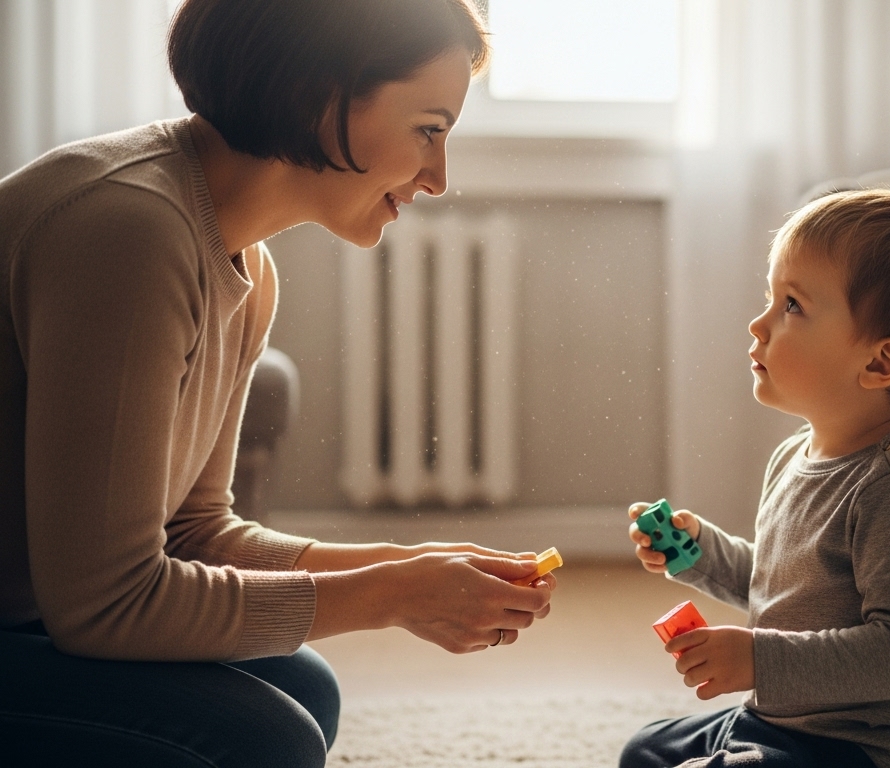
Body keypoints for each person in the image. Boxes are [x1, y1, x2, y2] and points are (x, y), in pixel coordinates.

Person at [0, 1, 554, 765]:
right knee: (267, 740)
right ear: (317, 96)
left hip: (34, 617)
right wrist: (395, 595)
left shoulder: (246, 266)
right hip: (36, 620)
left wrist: (402, 567)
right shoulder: (129, 231)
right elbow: (104, 606)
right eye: (429, 128)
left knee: (306, 690)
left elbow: (193, 533)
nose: (439, 177)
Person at [621, 189, 890, 768]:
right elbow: (787, 590)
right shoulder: (794, 458)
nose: (759, 325)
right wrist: (699, 552)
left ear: (880, 363)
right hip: (780, 721)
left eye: (792, 306)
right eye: (769, 298)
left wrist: (758, 661)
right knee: (645, 751)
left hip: (865, 748)